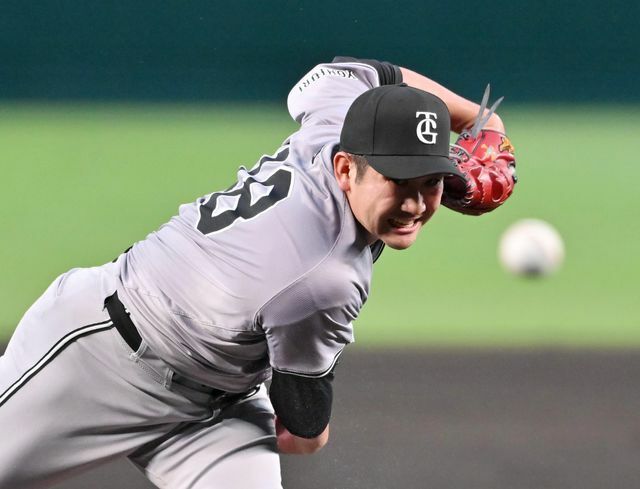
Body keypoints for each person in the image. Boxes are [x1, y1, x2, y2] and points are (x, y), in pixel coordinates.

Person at [0, 56, 515, 488]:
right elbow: (305, 433)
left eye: (431, 182)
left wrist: (480, 120)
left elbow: (348, 73)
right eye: (398, 181)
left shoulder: (338, 125)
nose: (415, 204)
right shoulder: (324, 277)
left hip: (217, 404)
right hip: (103, 354)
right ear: (345, 169)